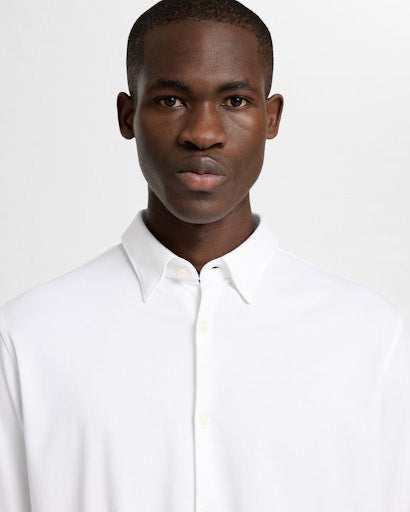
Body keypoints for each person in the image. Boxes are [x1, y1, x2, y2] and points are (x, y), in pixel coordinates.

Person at [0, 0, 409, 510]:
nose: (202, 133)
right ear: (128, 115)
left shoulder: (369, 335)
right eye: (171, 100)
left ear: (271, 117)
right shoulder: (28, 337)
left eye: (235, 101)